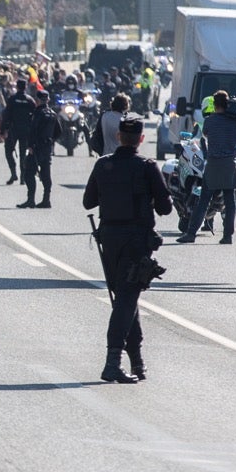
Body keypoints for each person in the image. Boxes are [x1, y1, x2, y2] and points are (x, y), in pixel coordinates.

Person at [83, 115, 172, 383]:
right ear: (141, 139)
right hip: (136, 241)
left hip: (110, 240)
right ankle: (112, 363)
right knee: (125, 299)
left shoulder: (103, 165)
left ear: (119, 137)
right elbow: (165, 208)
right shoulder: (146, 167)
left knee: (125, 297)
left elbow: (88, 202)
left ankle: (138, 363)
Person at [178, 90, 236, 244]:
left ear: (215, 105)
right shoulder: (235, 121)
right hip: (230, 164)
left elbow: (206, 134)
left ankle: (191, 234)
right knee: (230, 201)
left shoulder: (210, 121)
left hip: (213, 163)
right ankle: (228, 236)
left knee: (204, 200)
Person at [17, 90, 60, 209]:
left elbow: (33, 130)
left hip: (36, 148)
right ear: (48, 100)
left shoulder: (37, 113)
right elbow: (58, 132)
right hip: (47, 148)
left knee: (29, 173)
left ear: (38, 100)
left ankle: (31, 200)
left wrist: (30, 145)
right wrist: (50, 141)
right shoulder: (52, 114)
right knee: (46, 173)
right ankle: (46, 200)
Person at [0, 80, 35, 184]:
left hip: (13, 129)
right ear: (25, 87)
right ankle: (22, 177)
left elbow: (6, 116)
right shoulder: (30, 100)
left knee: (9, 151)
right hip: (26, 130)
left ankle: (14, 173)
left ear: (18, 87)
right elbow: (34, 117)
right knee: (23, 153)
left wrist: (2, 130)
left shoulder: (12, 99)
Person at [98, 92, 130, 157]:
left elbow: (97, 135)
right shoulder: (125, 119)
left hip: (105, 155)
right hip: (122, 156)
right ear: (125, 106)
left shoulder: (104, 116)